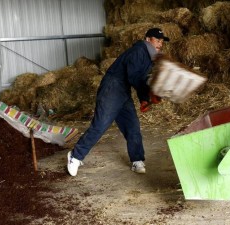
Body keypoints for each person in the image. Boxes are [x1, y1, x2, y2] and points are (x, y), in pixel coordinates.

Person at [67, 28, 170, 176]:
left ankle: (137, 160)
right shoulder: (138, 51)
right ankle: (75, 156)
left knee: (132, 125)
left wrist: (144, 99)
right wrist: (148, 94)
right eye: (157, 40)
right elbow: (134, 77)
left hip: (123, 90)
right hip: (112, 88)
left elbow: (141, 79)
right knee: (100, 124)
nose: (160, 44)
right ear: (148, 39)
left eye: (161, 41)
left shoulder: (149, 57)